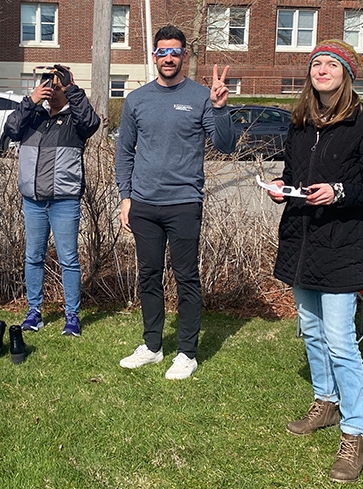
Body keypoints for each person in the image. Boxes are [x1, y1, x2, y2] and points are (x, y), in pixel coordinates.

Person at [266, 40, 363, 483]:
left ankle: (355, 432)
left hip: (341, 243)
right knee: (312, 330)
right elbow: (295, 175)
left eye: (331, 64)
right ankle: (325, 400)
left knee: (341, 340)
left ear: (347, 73)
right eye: (316, 63)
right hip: (301, 238)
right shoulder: (299, 123)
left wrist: (338, 191)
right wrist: (284, 187)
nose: (322, 69)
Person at [114, 25, 236, 379]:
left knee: (186, 278)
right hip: (144, 205)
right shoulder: (137, 100)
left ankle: (187, 353)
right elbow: (124, 153)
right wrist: (125, 196)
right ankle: (152, 346)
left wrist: (220, 108)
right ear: (154, 56)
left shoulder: (201, 96)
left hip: (184, 203)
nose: (168, 57)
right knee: (149, 276)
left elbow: (225, 145)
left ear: (184, 56)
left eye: (175, 52)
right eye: (162, 51)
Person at [3, 64, 100, 336]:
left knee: (68, 259)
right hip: (33, 201)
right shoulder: (32, 117)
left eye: (58, 87)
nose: (52, 91)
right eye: (50, 86)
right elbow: (11, 129)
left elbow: (92, 122)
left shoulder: (75, 121)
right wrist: (31, 100)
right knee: (33, 257)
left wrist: (71, 87)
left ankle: (72, 316)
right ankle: (34, 311)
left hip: (64, 201)